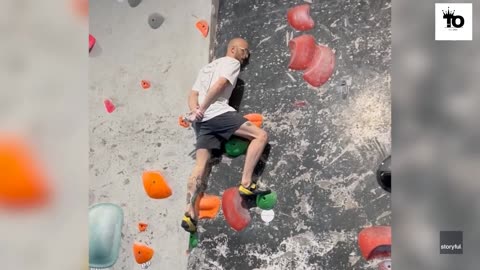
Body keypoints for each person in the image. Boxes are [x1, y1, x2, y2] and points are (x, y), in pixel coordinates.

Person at [181, 38, 269, 233]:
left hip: (201, 121)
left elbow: (192, 94)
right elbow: (221, 84)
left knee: (200, 165)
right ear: (233, 50)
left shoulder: (207, 68)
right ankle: (246, 182)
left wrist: (195, 111)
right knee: (260, 136)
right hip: (217, 113)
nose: (246, 56)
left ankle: (189, 211)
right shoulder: (232, 63)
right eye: (244, 51)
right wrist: (203, 108)